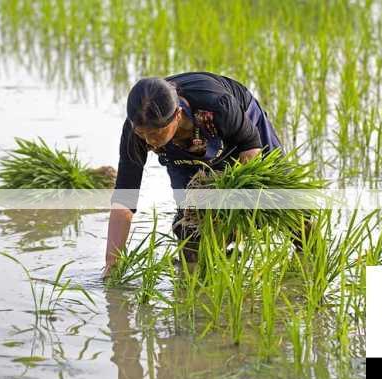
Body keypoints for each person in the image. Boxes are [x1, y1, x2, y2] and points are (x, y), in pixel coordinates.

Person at [103, 72, 284, 277]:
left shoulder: (217, 105)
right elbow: (124, 201)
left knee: (286, 202)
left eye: (155, 133)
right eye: (141, 133)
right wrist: (112, 266)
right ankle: (196, 289)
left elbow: (251, 150)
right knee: (190, 230)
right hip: (182, 157)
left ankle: (309, 254)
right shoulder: (135, 132)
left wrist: (231, 214)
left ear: (178, 115)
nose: (148, 141)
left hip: (243, 134)